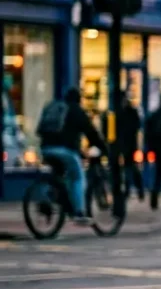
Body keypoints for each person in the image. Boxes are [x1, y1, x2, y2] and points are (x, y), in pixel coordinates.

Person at [36, 87, 109, 223]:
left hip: (46, 148)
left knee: (58, 174)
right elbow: (91, 133)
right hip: (64, 150)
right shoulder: (76, 111)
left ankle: (49, 197)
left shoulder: (56, 108)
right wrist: (103, 148)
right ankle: (79, 213)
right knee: (77, 177)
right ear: (79, 99)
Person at [114, 96, 145, 201]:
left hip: (124, 145)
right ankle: (139, 190)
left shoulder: (119, 114)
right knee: (133, 168)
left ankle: (128, 189)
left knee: (127, 169)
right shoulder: (133, 113)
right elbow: (138, 126)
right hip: (132, 145)